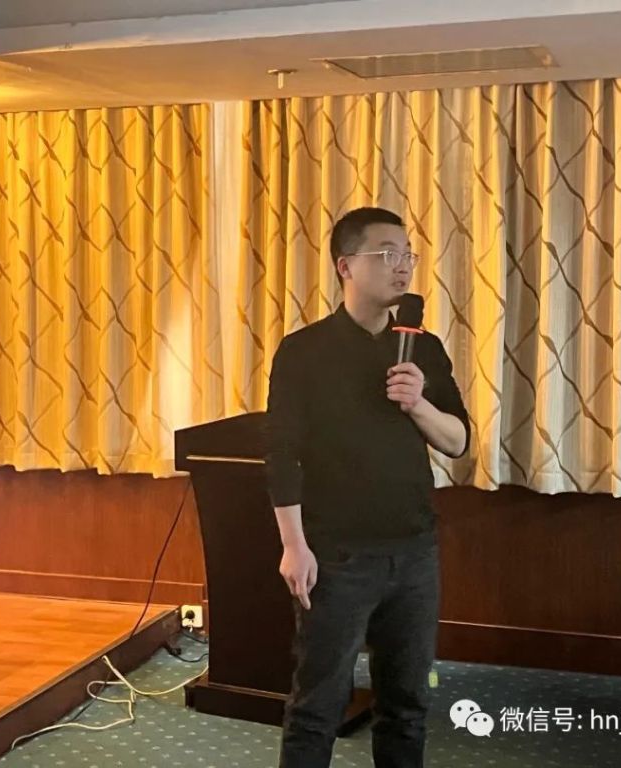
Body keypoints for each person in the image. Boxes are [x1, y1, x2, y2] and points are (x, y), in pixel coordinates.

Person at [264, 207, 471, 768]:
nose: (402, 265)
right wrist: (293, 545)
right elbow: (282, 454)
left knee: (407, 703)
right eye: (386, 254)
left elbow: (458, 441)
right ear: (345, 266)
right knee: (317, 705)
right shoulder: (303, 351)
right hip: (337, 555)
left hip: (415, 550)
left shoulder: (423, 347)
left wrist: (417, 403)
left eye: (407, 254)